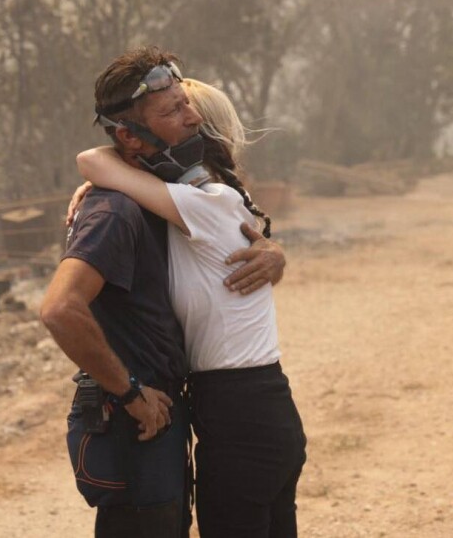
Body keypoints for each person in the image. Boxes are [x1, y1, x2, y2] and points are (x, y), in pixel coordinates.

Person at [39, 47, 286, 538]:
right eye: (173, 110)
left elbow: (100, 161)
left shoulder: (178, 204)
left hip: (187, 413)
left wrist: (275, 254)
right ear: (130, 137)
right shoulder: (119, 210)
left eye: (189, 107)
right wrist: (129, 393)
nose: (191, 119)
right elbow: (59, 309)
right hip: (143, 418)